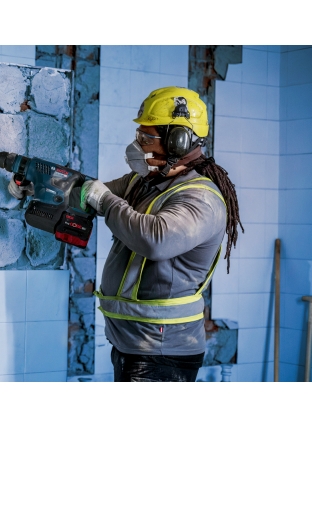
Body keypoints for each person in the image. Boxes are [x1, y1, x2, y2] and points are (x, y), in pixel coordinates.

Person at [78, 86, 243, 381]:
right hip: (132, 342)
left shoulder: (201, 198)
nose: (137, 145)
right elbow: (90, 194)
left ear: (178, 141)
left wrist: (105, 200)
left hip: (164, 352)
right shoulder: (144, 182)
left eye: (146, 138)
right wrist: (39, 184)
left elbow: (155, 240)